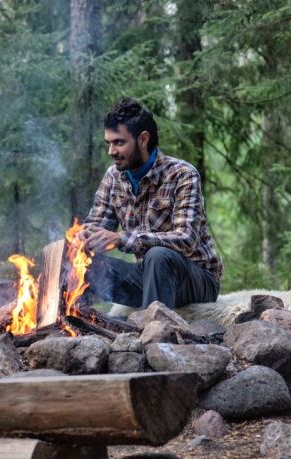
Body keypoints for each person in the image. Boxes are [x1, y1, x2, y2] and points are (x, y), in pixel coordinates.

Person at [77, 96, 223, 310]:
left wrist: (121, 238)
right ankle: (74, 328)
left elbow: (186, 238)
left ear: (143, 139)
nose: (111, 151)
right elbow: (97, 223)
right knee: (80, 262)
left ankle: (152, 334)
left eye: (119, 142)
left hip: (196, 279)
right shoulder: (113, 177)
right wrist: (85, 236)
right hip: (147, 277)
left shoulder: (182, 174)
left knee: (158, 256)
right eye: (108, 143)